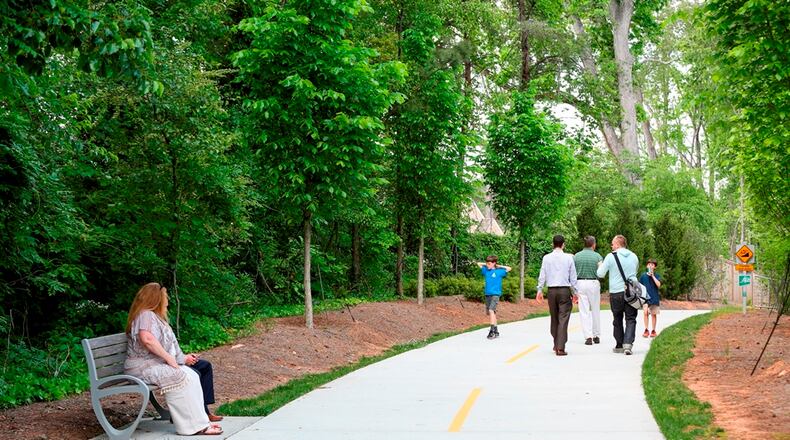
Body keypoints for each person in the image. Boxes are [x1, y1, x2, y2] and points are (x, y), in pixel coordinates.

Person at [124, 283, 223, 436]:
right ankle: (191, 427)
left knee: (192, 375)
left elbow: (163, 344)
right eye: (165, 296)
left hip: (152, 364)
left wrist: (179, 358)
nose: (167, 300)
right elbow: (147, 339)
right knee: (180, 376)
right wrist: (170, 359)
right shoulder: (145, 315)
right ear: (156, 299)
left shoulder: (153, 316)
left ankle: (201, 422)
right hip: (141, 367)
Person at [597, 235, 639, 355]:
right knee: (631, 318)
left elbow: (600, 274)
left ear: (618, 244)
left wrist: (600, 265)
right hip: (631, 291)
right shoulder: (634, 256)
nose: (611, 246)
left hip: (616, 292)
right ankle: (628, 344)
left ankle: (619, 344)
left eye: (612, 244)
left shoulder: (611, 256)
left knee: (617, 318)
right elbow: (634, 272)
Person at [536, 235, 578, 356]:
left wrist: (539, 290)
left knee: (554, 318)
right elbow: (573, 277)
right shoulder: (569, 258)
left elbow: (542, 274)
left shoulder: (546, 258)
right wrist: (575, 293)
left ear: (552, 244)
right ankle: (560, 347)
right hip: (564, 290)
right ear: (563, 244)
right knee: (563, 318)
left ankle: (556, 343)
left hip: (551, 291)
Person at [574, 236, 603, 345]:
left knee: (584, 310)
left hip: (580, 283)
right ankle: (596, 335)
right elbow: (601, 272)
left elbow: (573, 271)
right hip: (593, 283)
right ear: (593, 244)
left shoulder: (576, 256)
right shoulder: (597, 256)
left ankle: (588, 337)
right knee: (595, 309)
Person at [477, 256, 512, 339]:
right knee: (492, 313)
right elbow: (479, 264)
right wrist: (487, 264)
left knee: (491, 310)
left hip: (495, 294)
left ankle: (492, 331)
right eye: (487, 263)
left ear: (494, 263)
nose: (487, 265)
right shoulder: (486, 271)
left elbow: (509, 268)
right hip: (488, 294)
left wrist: (499, 266)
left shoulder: (499, 272)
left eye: (489, 263)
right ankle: (496, 331)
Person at [639, 258, 662, 338]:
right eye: (649, 264)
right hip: (645, 298)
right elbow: (640, 286)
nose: (650, 266)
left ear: (655, 267)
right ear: (647, 266)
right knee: (645, 313)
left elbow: (659, 285)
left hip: (654, 298)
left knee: (653, 314)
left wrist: (652, 276)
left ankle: (653, 330)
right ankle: (646, 329)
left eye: (652, 265)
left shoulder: (657, 275)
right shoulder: (643, 276)